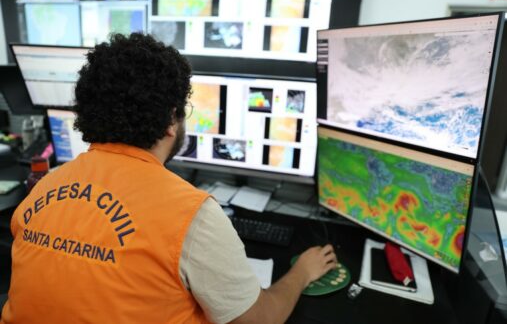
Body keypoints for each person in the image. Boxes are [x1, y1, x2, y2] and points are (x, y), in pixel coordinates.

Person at [1, 33, 337, 324]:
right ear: (169, 122)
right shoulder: (191, 214)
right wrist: (302, 273)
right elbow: (259, 318)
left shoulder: (46, 185)